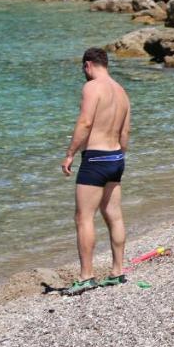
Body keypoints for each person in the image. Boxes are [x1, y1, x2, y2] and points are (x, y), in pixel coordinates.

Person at [60, 47, 131, 296]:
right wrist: (118, 155)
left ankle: (86, 276)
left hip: (96, 158)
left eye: (84, 69)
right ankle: (118, 271)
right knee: (114, 214)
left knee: (84, 217)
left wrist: (70, 153)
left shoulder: (92, 87)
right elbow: (124, 135)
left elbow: (85, 122)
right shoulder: (122, 92)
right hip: (116, 157)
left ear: (88, 65)